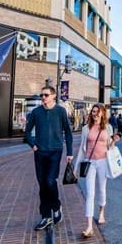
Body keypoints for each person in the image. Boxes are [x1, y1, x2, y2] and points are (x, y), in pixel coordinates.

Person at [25, 86, 73, 231]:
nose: (43, 97)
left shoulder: (60, 111)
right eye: (42, 95)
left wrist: (69, 152)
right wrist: (32, 144)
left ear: (53, 96)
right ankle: (46, 216)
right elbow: (27, 132)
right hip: (40, 153)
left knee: (50, 181)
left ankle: (56, 207)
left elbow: (68, 133)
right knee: (42, 184)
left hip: (55, 152)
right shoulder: (36, 112)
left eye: (46, 95)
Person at [75, 104, 120, 238]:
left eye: (97, 112)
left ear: (102, 113)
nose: (94, 114)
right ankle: (89, 226)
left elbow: (110, 146)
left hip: (103, 162)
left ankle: (101, 212)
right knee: (90, 194)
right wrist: (76, 166)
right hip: (90, 163)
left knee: (101, 189)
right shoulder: (85, 129)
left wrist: (114, 141)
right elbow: (82, 149)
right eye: (93, 111)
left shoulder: (108, 128)